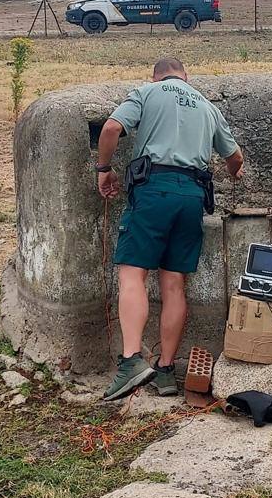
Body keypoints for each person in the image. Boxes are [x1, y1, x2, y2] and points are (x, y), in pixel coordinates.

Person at [95, 57, 244, 400]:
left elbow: (110, 129)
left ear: (156, 76)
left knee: (133, 274)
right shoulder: (207, 106)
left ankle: (131, 360)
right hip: (193, 197)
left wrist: (104, 168)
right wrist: (234, 174)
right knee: (174, 284)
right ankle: (165, 370)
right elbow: (235, 158)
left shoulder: (147, 92)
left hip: (153, 191)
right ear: (185, 76)